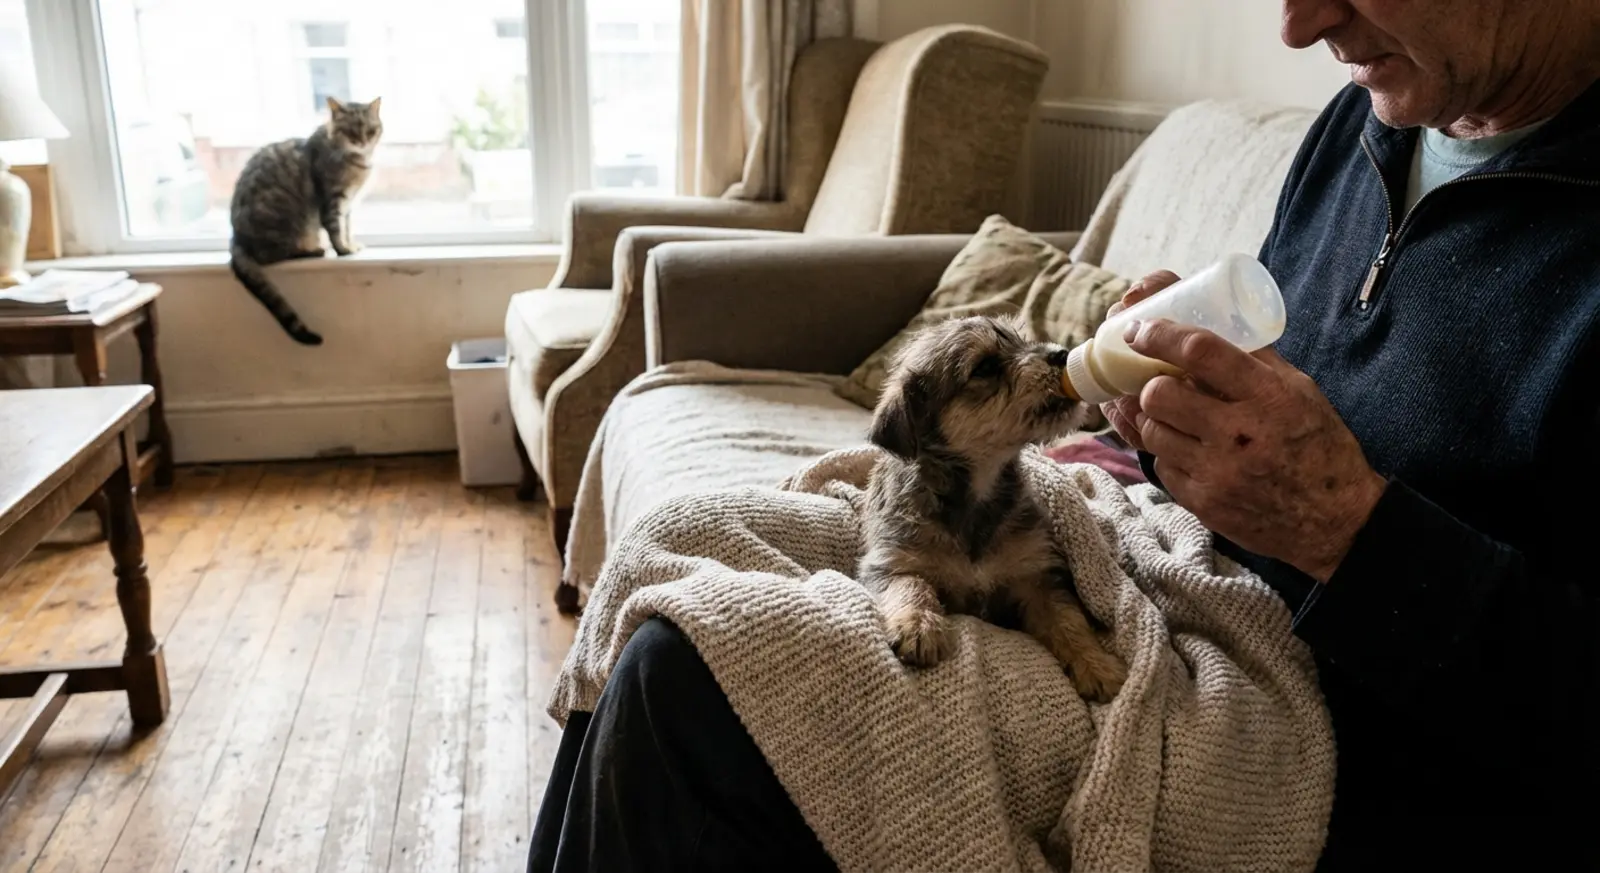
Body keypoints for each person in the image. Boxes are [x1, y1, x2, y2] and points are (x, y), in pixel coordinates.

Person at [529, 0, 1600, 869]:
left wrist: (1349, 530)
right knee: (679, 547)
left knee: (691, 671)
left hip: (1319, 728)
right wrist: (1179, 404)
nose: (1297, 24)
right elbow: (1312, 381)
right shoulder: (1367, 122)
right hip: (1172, 570)